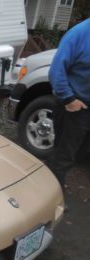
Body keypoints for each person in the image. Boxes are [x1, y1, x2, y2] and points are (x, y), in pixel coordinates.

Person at [48, 18, 90, 199]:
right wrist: (69, 99)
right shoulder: (79, 34)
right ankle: (52, 198)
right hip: (75, 106)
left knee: (80, 154)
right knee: (64, 157)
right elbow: (56, 71)